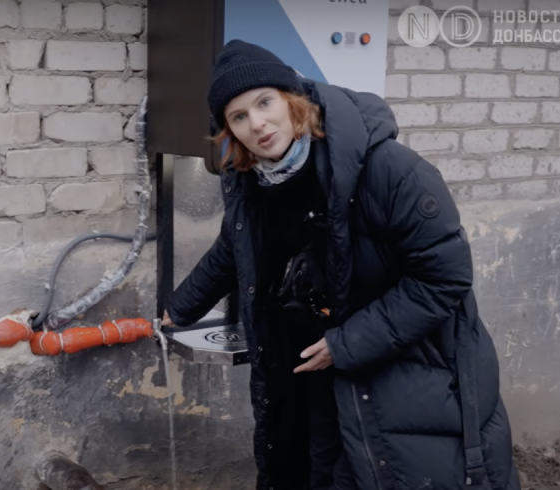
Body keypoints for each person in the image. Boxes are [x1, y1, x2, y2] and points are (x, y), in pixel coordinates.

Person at [161, 39, 521, 490]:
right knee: (313, 467)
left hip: (408, 365)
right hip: (316, 363)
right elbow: (233, 248)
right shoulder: (255, 180)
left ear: (293, 100)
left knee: (392, 472)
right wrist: (181, 307)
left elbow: (443, 279)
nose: (257, 123)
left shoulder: (391, 169)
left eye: (264, 102)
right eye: (238, 117)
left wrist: (346, 344)